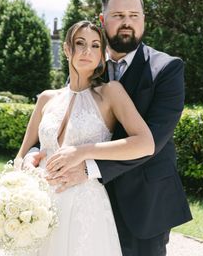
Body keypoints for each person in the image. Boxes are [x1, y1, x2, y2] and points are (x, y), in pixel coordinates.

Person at [32, 0, 192, 256]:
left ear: (143, 19)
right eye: (118, 15)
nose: (127, 22)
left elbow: (152, 142)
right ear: (103, 20)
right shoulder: (86, 64)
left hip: (144, 203)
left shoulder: (167, 69)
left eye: (134, 15)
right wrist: (35, 155)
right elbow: (59, 120)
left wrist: (89, 167)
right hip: (82, 202)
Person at [15, 20, 155, 256]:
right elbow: (20, 156)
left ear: (102, 55)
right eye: (79, 43)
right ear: (67, 49)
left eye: (94, 45)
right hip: (39, 204)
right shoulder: (46, 99)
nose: (87, 51)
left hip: (84, 205)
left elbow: (145, 143)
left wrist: (84, 151)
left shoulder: (111, 93)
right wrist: (27, 162)